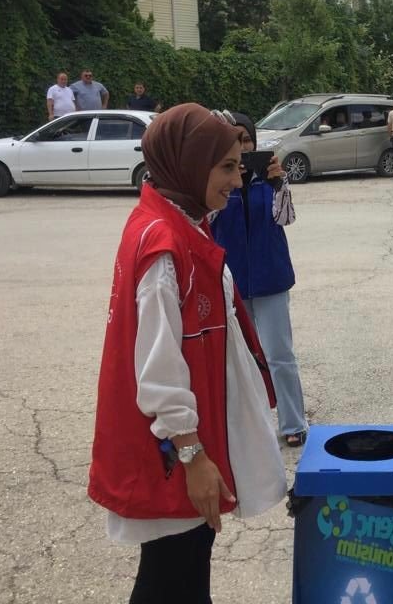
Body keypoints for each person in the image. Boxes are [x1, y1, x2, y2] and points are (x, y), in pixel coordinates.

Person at [88, 103, 286, 602]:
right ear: (188, 164)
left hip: (183, 443)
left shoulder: (177, 222)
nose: (237, 182)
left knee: (184, 568)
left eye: (238, 166)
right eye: (225, 168)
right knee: (171, 575)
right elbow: (157, 368)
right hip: (173, 452)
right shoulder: (163, 244)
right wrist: (193, 456)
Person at [209, 111, 307, 448]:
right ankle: (250, 425)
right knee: (240, 357)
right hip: (231, 282)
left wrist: (278, 183)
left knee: (279, 353)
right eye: (234, 142)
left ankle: (293, 422)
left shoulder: (270, 179)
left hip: (271, 277)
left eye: (247, 140)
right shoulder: (216, 181)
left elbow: (286, 218)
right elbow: (205, 223)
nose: (242, 147)